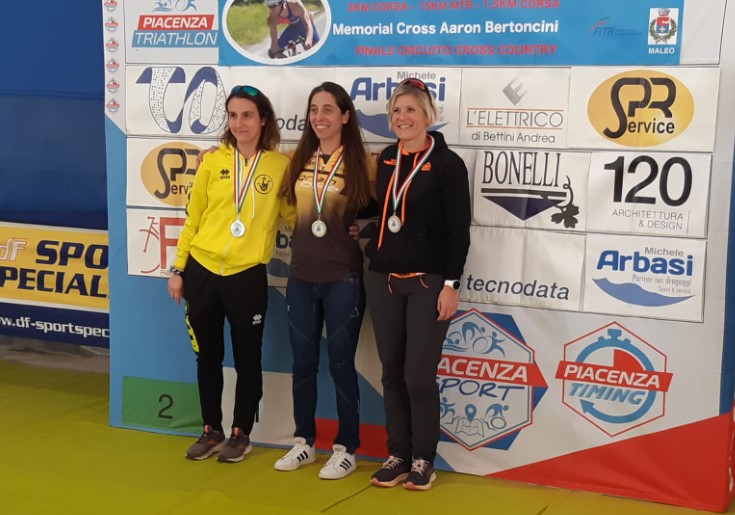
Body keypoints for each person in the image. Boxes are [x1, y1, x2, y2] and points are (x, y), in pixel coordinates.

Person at [168, 85, 295, 463]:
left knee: (247, 358)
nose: (240, 123)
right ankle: (211, 429)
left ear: (264, 120)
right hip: (202, 270)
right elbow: (193, 219)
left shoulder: (279, 167)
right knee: (207, 356)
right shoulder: (212, 162)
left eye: (248, 115)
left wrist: (335, 224)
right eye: (234, 115)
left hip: (247, 275)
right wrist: (178, 269)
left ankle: (241, 433)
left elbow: (294, 216)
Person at [364, 78, 471, 491]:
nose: (402, 117)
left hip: (428, 284)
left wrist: (451, 284)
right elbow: (381, 211)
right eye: (396, 110)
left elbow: (459, 231)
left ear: (428, 115)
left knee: (418, 376)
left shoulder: (447, 164)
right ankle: (398, 455)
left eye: (410, 109)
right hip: (384, 281)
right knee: (391, 373)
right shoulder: (387, 158)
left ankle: (424, 458)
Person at [273, 82, 374, 479]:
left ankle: (347, 448)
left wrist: (364, 228)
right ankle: (304, 443)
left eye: (328, 109)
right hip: (300, 279)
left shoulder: (363, 163)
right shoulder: (297, 159)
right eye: (314, 109)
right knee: (303, 364)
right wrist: (216, 152)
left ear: (345, 116)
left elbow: (392, 206)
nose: (319, 117)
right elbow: (255, 160)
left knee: (341, 365)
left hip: (342, 279)